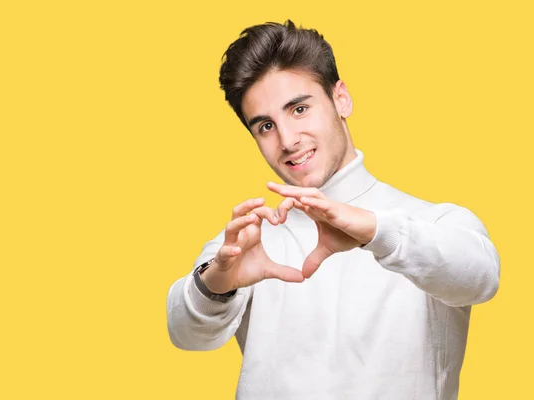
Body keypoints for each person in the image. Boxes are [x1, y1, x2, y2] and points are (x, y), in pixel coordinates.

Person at [166, 20, 500, 400]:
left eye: (300, 109)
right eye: (265, 126)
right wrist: (218, 284)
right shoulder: (252, 242)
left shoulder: (434, 223)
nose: (288, 140)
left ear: (341, 98)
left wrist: (375, 232)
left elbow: (482, 276)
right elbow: (185, 332)